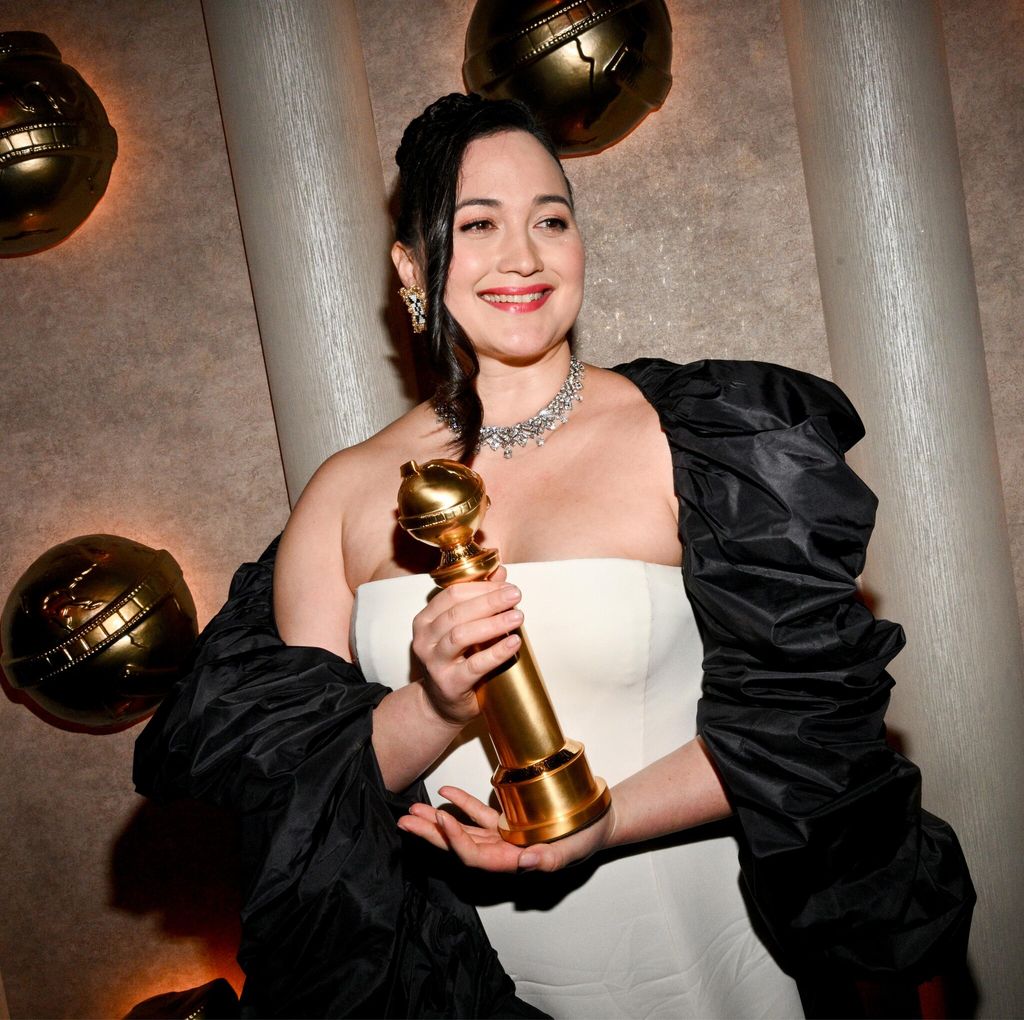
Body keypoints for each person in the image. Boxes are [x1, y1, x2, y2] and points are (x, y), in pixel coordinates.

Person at [134, 94, 974, 1019]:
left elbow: (802, 734)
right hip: (455, 977)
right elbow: (301, 796)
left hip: (703, 951)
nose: (523, 255)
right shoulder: (339, 497)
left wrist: (603, 821)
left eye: (551, 219)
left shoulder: (696, 442)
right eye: (478, 224)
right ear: (411, 267)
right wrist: (434, 703)